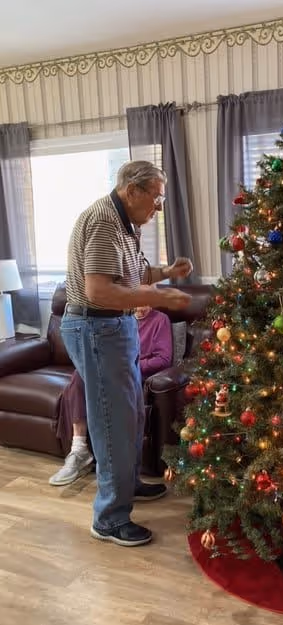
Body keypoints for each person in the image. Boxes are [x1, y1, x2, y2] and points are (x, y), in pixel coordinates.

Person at [60, 160, 192, 547]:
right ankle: (109, 519)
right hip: (96, 327)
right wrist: (158, 296)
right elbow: (99, 291)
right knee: (112, 422)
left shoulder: (125, 224)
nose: (159, 206)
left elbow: (132, 275)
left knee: (131, 412)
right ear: (132, 191)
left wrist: (167, 273)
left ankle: (127, 485)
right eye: (156, 197)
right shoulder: (102, 222)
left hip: (115, 327)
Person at [49, 305, 173, 486]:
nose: (141, 306)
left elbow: (163, 358)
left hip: (133, 371)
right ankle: (79, 448)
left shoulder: (160, 320)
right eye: (135, 301)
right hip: (110, 369)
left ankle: (116, 476)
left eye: (146, 300)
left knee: (88, 377)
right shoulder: (117, 317)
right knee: (79, 377)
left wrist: (129, 365)